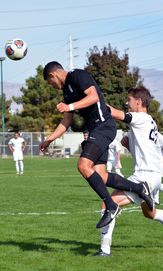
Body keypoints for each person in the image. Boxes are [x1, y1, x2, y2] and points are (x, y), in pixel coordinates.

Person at [40, 61, 153, 228]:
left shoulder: (77, 75)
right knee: (100, 176)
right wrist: (50, 139)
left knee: (83, 165)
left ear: (53, 75)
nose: (53, 86)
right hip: (95, 130)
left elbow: (93, 96)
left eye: (51, 83)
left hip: (104, 127)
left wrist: (70, 105)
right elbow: (66, 121)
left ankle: (111, 205)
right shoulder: (67, 92)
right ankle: (139, 188)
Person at [93, 85, 163, 256]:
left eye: (129, 100)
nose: (127, 103)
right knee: (151, 214)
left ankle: (104, 249)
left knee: (108, 203)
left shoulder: (140, 117)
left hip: (145, 176)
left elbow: (116, 113)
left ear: (139, 101)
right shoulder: (149, 121)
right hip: (154, 176)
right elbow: (146, 146)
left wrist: (94, 99)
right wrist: (130, 145)